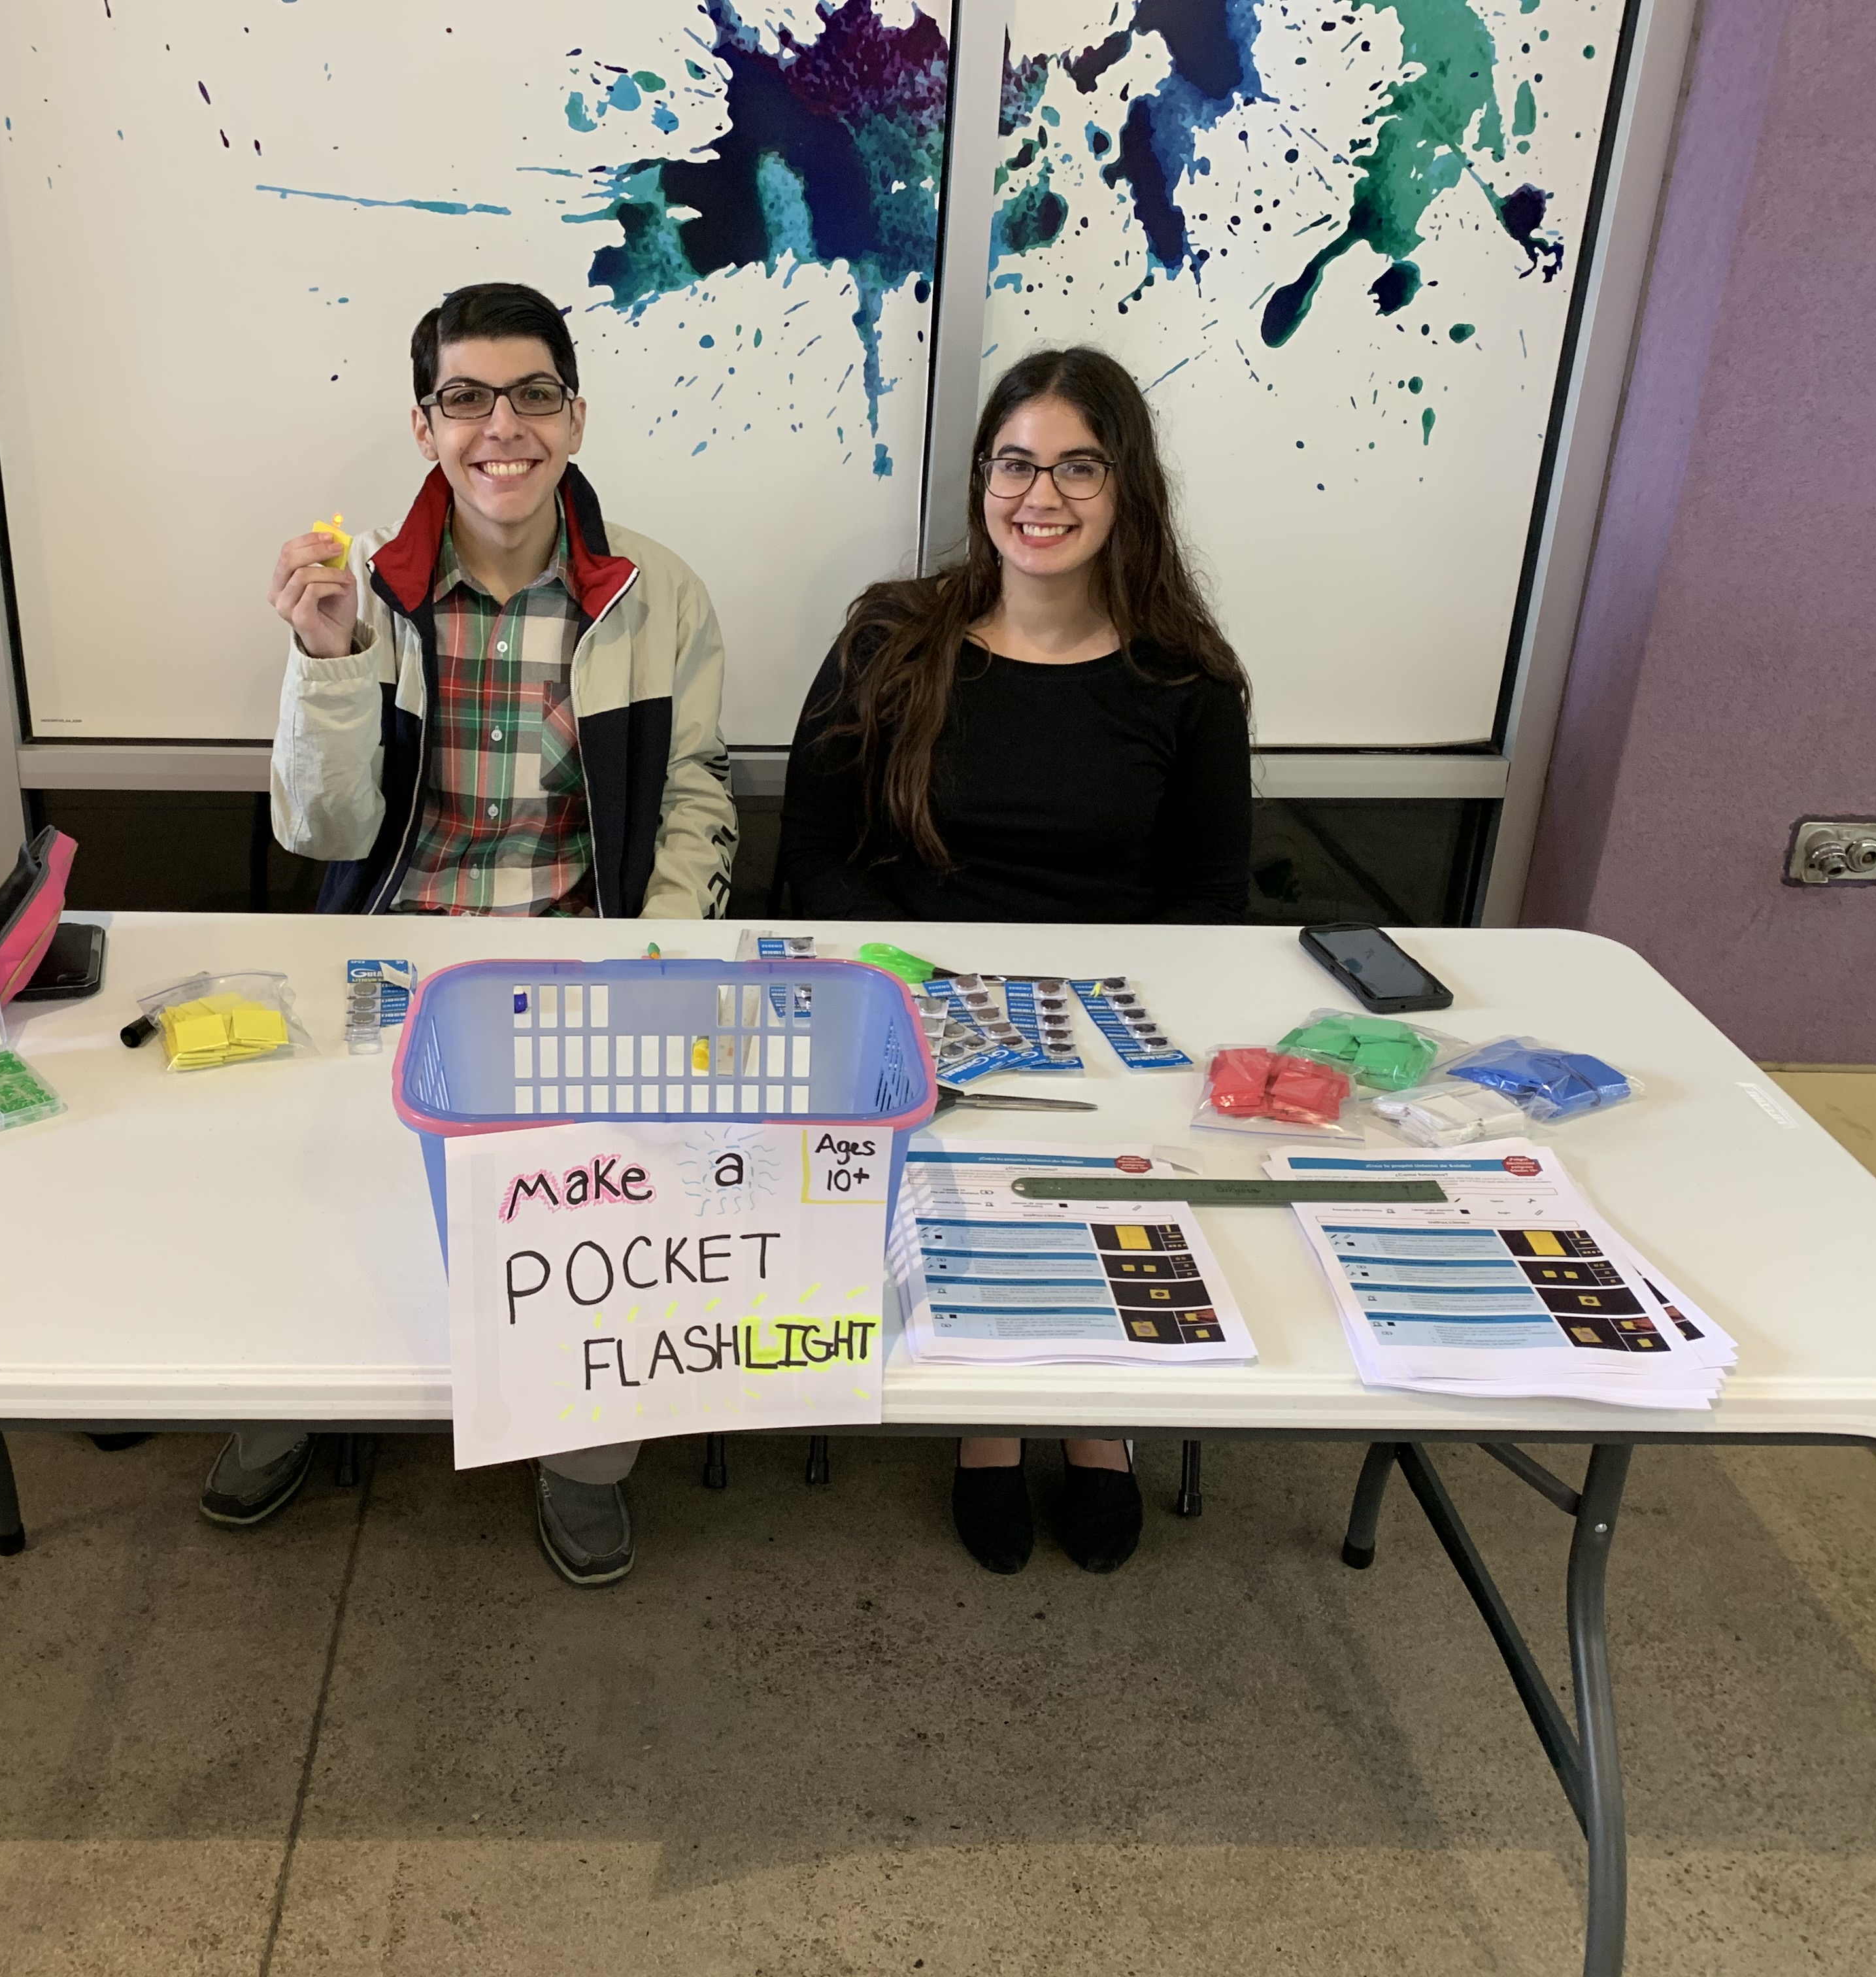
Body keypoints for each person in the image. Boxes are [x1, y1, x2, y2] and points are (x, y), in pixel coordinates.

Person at [204, 280, 739, 1589]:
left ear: (575, 415)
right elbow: (323, 835)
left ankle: (586, 1455)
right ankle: (289, 1400)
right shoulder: (366, 590)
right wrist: (330, 659)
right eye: (466, 398)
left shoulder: (654, 594)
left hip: (576, 949)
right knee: (316, 1178)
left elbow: (694, 792)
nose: (502, 425)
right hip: (395, 947)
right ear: (424, 423)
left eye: (533, 395)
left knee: (601, 1192)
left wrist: (649, 962)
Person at [781, 344, 1252, 1577]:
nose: (1041, 497)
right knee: (967, 1157)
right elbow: (816, 854)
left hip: (1112, 1024)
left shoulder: (1188, 686)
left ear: (1126, 488)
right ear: (984, 479)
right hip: (919, 1010)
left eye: (1078, 468)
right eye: (1016, 464)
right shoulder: (893, 637)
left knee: (1095, 1146)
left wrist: (1103, 1021)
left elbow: (1211, 899)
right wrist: (912, 990)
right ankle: (987, 1420)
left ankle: (1100, 1422)